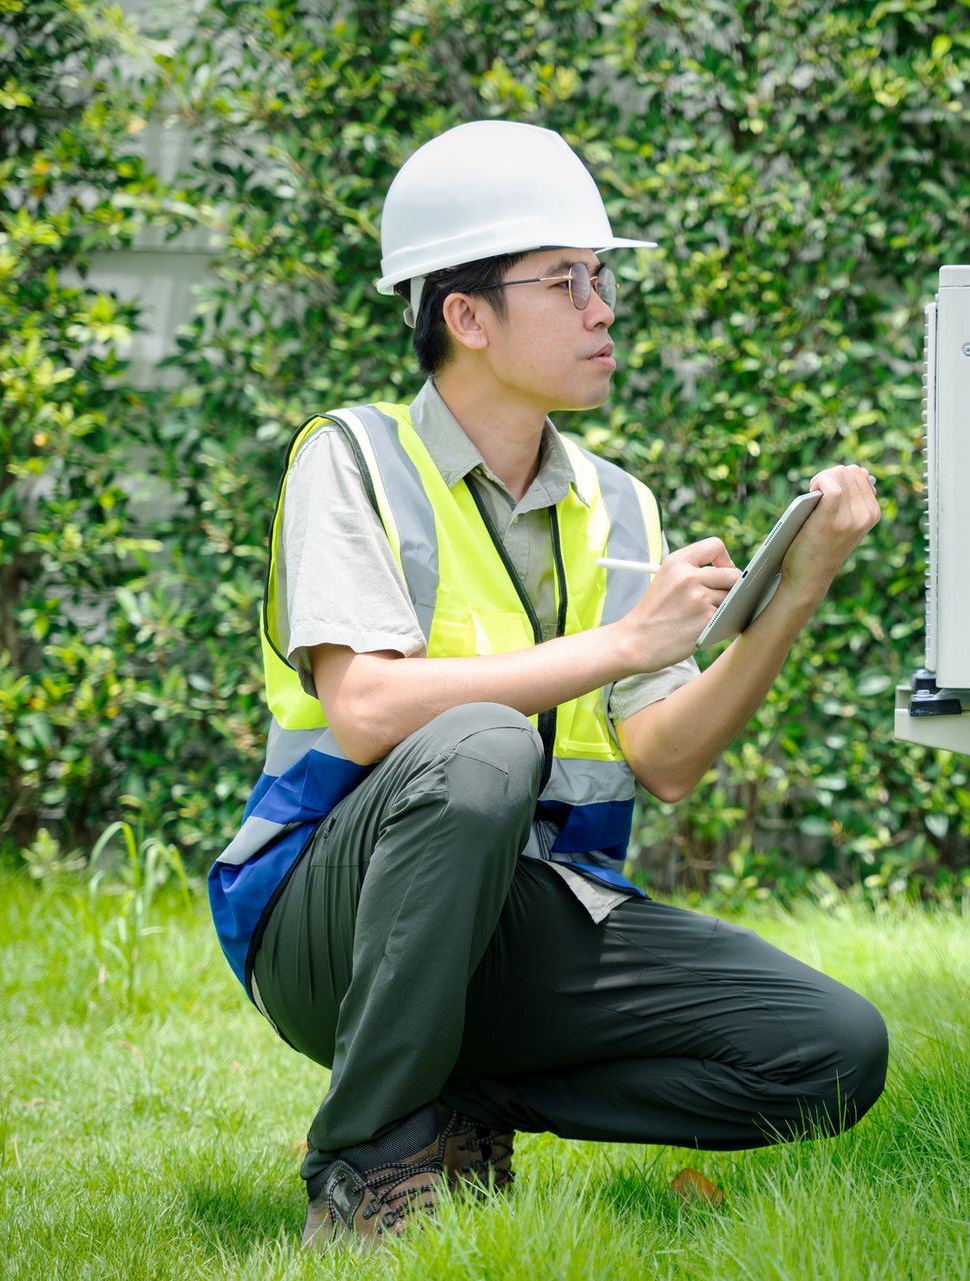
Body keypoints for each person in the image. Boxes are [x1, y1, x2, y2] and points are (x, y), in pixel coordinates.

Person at [206, 121, 889, 1248]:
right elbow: (366, 707)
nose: (603, 308)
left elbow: (665, 759)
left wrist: (800, 589)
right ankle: (366, 1157)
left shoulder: (618, 504)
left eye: (602, 278)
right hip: (326, 925)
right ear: (465, 317)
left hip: (523, 915)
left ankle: (468, 1104)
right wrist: (621, 647)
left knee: (831, 1052)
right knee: (485, 744)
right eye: (566, 281)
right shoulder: (352, 458)